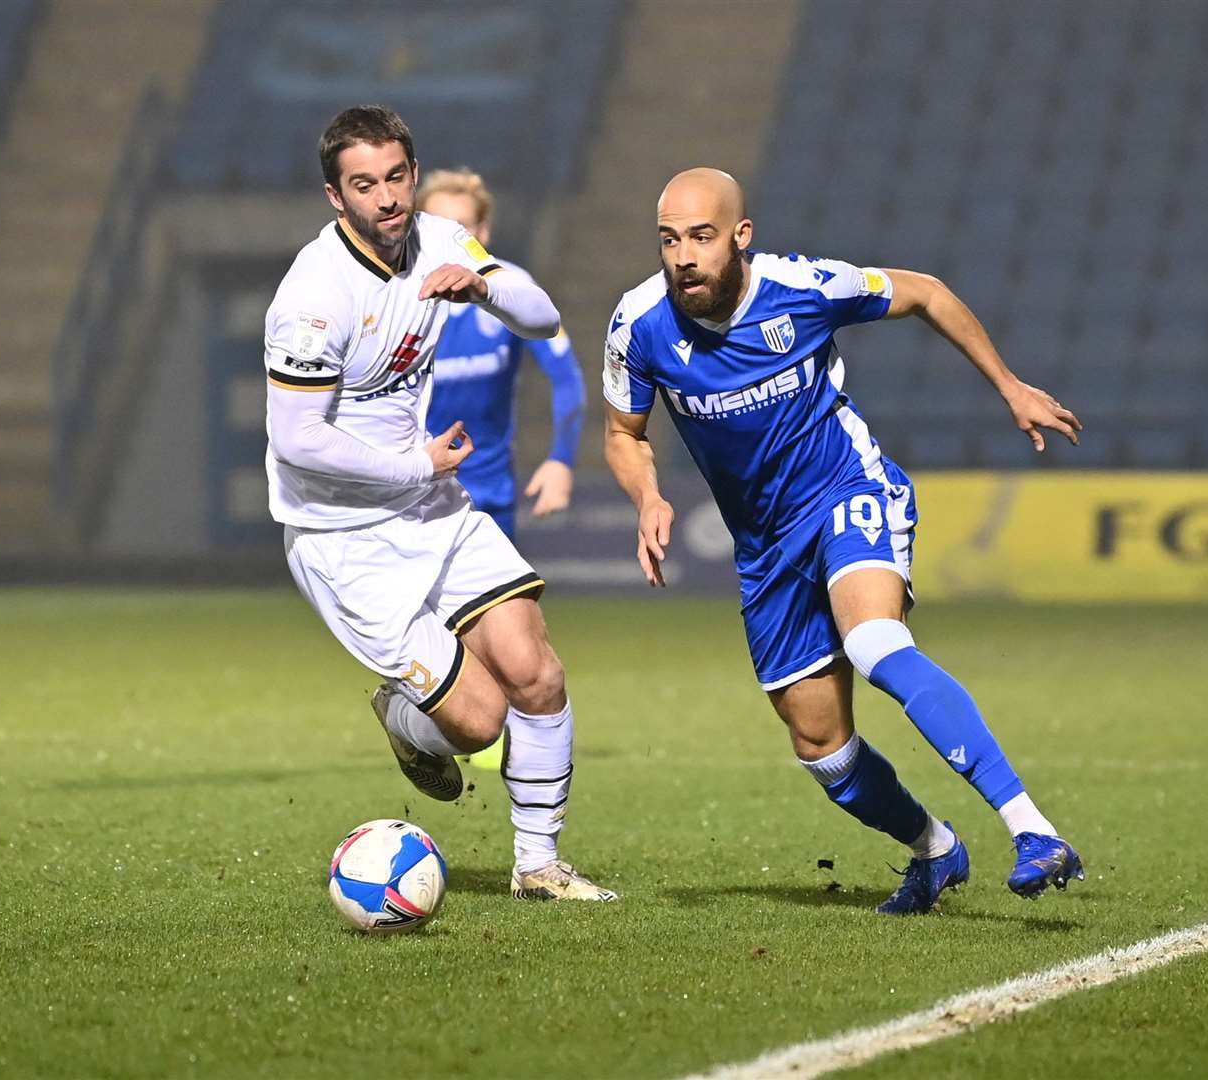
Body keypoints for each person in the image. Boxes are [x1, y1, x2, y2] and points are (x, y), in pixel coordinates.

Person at [602, 168, 1084, 915]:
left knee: (873, 641)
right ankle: (934, 850)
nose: (683, 257)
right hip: (764, 547)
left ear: (741, 236)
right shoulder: (639, 324)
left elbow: (924, 290)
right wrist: (647, 494)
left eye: (701, 237)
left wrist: (1009, 385)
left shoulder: (803, 287)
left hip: (845, 491)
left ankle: (1033, 831)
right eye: (669, 240)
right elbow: (622, 435)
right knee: (822, 748)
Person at [264, 104, 615, 902]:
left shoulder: (438, 241)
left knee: (538, 673)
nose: (385, 198)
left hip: (432, 506)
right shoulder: (313, 298)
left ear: (413, 176)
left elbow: (544, 314)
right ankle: (404, 718)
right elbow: (298, 441)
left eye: (395, 178)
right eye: (364, 185)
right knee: (480, 721)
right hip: (342, 536)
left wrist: (485, 284)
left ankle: (539, 867)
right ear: (334, 197)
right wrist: (413, 465)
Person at [417, 168, 585, 541]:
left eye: (460, 228)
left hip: (490, 501)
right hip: (413, 498)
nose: (448, 239)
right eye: (437, 226)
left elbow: (567, 377)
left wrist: (561, 459)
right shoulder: (395, 297)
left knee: (513, 603)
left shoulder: (513, 292)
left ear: (484, 232)